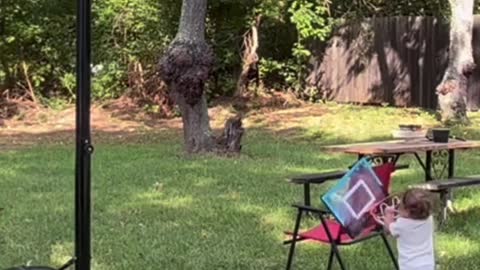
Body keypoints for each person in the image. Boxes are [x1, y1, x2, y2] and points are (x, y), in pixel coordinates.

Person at [384, 188, 435, 270]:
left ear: (407, 212)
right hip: (428, 265)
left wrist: (388, 214)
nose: (399, 204)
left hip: (409, 266)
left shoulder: (401, 224)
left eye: (401, 205)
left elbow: (388, 229)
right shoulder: (429, 219)